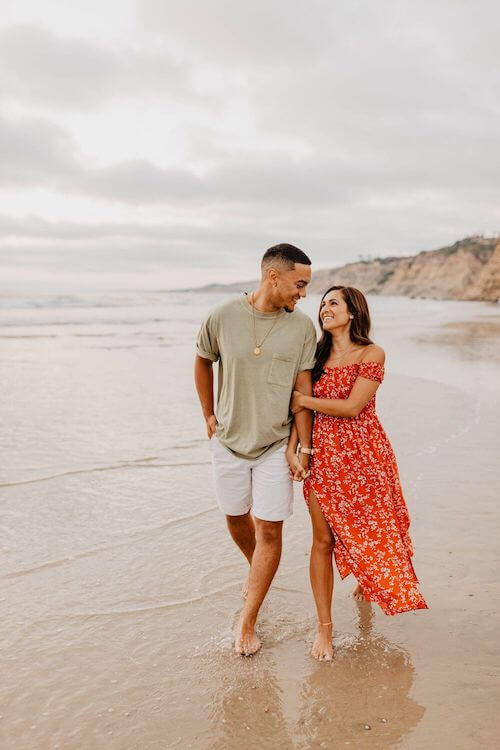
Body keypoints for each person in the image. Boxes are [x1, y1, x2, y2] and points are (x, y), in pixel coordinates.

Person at [289, 285, 428, 661]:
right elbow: (297, 413)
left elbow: (352, 407)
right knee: (323, 539)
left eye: (333, 303)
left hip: (366, 455)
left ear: (353, 312)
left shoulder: (372, 353)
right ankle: (325, 628)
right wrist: (294, 449)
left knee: (373, 527)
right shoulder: (313, 356)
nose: (324, 309)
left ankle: (368, 580)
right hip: (322, 456)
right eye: (322, 304)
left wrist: (304, 399)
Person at [194, 243, 317, 656]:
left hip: (275, 443)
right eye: (299, 285)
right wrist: (208, 415)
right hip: (228, 440)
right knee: (235, 516)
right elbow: (202, 359)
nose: (303, 294)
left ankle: (249, 617)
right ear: (273, 276)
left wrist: (303, 447)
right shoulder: (223, 316)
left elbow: (303, 390)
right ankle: (257, 573)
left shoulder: (302, 328)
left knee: (271, 528)